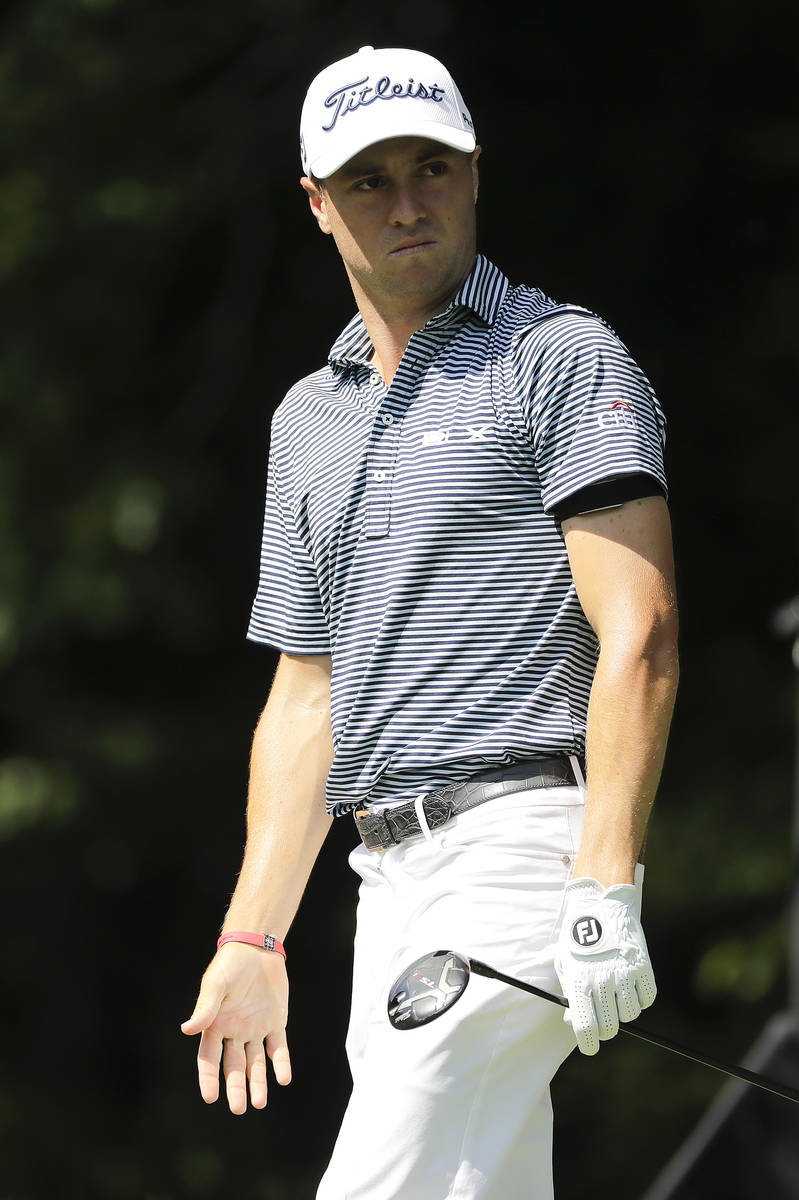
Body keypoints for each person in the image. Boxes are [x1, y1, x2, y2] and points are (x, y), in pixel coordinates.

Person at [181, 44, 679, 1199]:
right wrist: (252, 938)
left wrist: (604, 882)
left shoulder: (557, 358)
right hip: (387, 883)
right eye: (369, 181)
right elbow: (307, 698)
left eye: (432, 169)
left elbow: (639, 632)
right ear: (316, 203)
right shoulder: (307, 418)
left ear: (473, 170)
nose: (408, 204)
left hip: (521, 851)